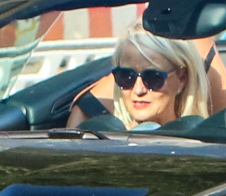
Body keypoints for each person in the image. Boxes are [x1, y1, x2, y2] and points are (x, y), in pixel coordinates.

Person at [75, 27, 214, 131]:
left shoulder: (202, 146)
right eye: (126, 76)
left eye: (153, 78)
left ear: (182, 79)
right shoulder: (100, 142)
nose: (138, 90)